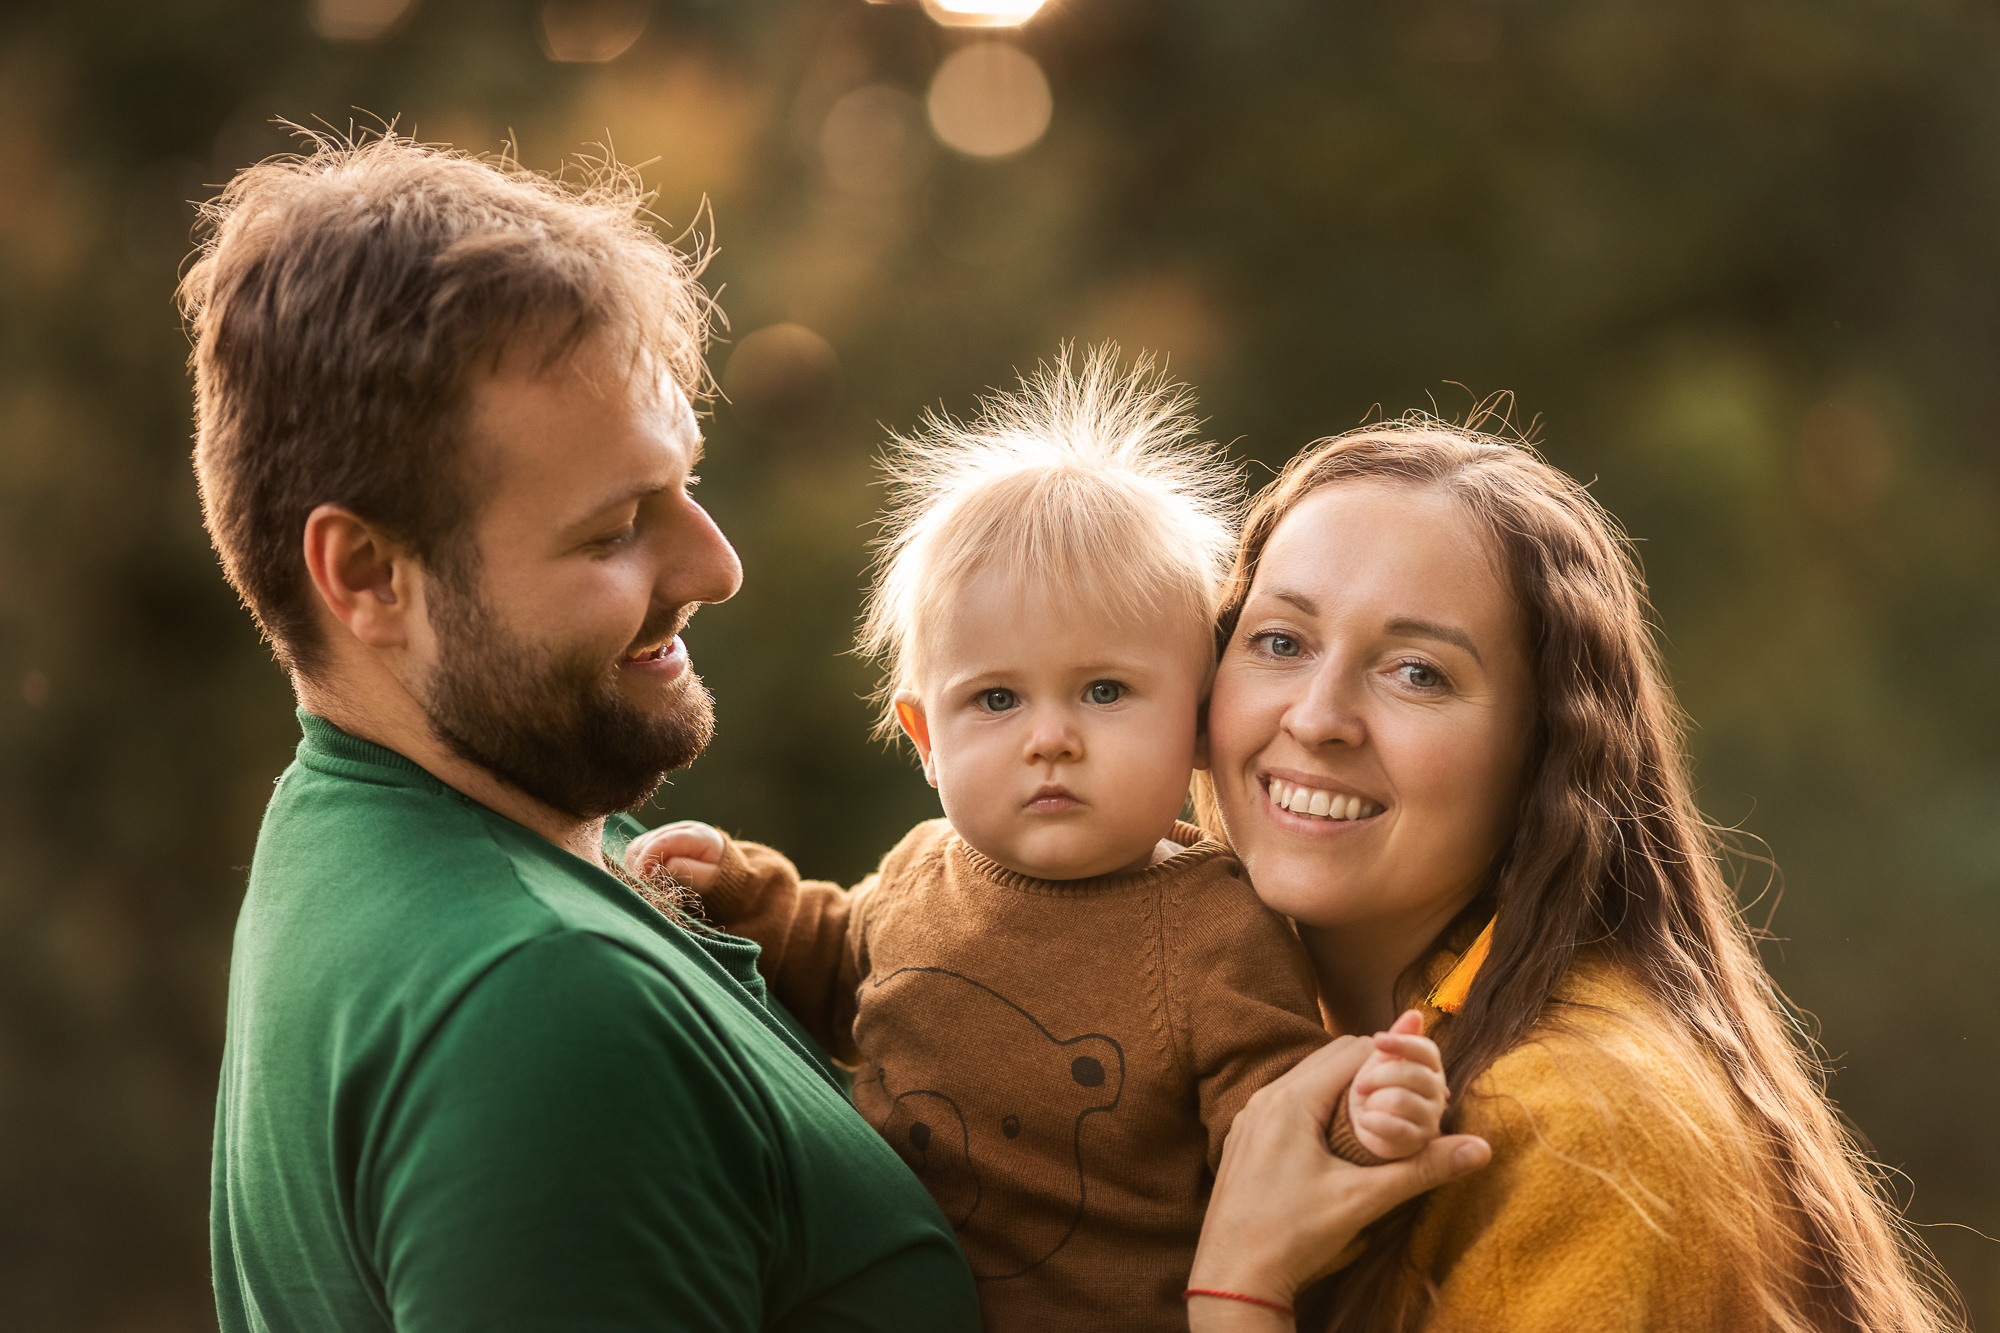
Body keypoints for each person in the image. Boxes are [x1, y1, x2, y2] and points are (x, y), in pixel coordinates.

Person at [185, 132, 985, 1331]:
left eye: (686, 483)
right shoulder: (537, 1005)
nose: (717, 564)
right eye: (612, 529)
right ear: (366, 574)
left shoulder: (360, 838)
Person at [624, 350, 1454, 1332]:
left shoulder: (1211, 925)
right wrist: (731, 885)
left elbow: (1272, 1130)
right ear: (925, 739)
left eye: (1103, 691)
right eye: (995, 697)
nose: (1049, 736)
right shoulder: (920, 869)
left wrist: (1363, 1125)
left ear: (1195, 724)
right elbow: (836, 962)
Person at [1181, 418, 1963, 1330]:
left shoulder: (1572, 1120)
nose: (1318, 717)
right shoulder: (1223, 1027)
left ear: (1546, 756)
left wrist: (1238, 1284)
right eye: (1281, 641)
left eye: (1417, 672)